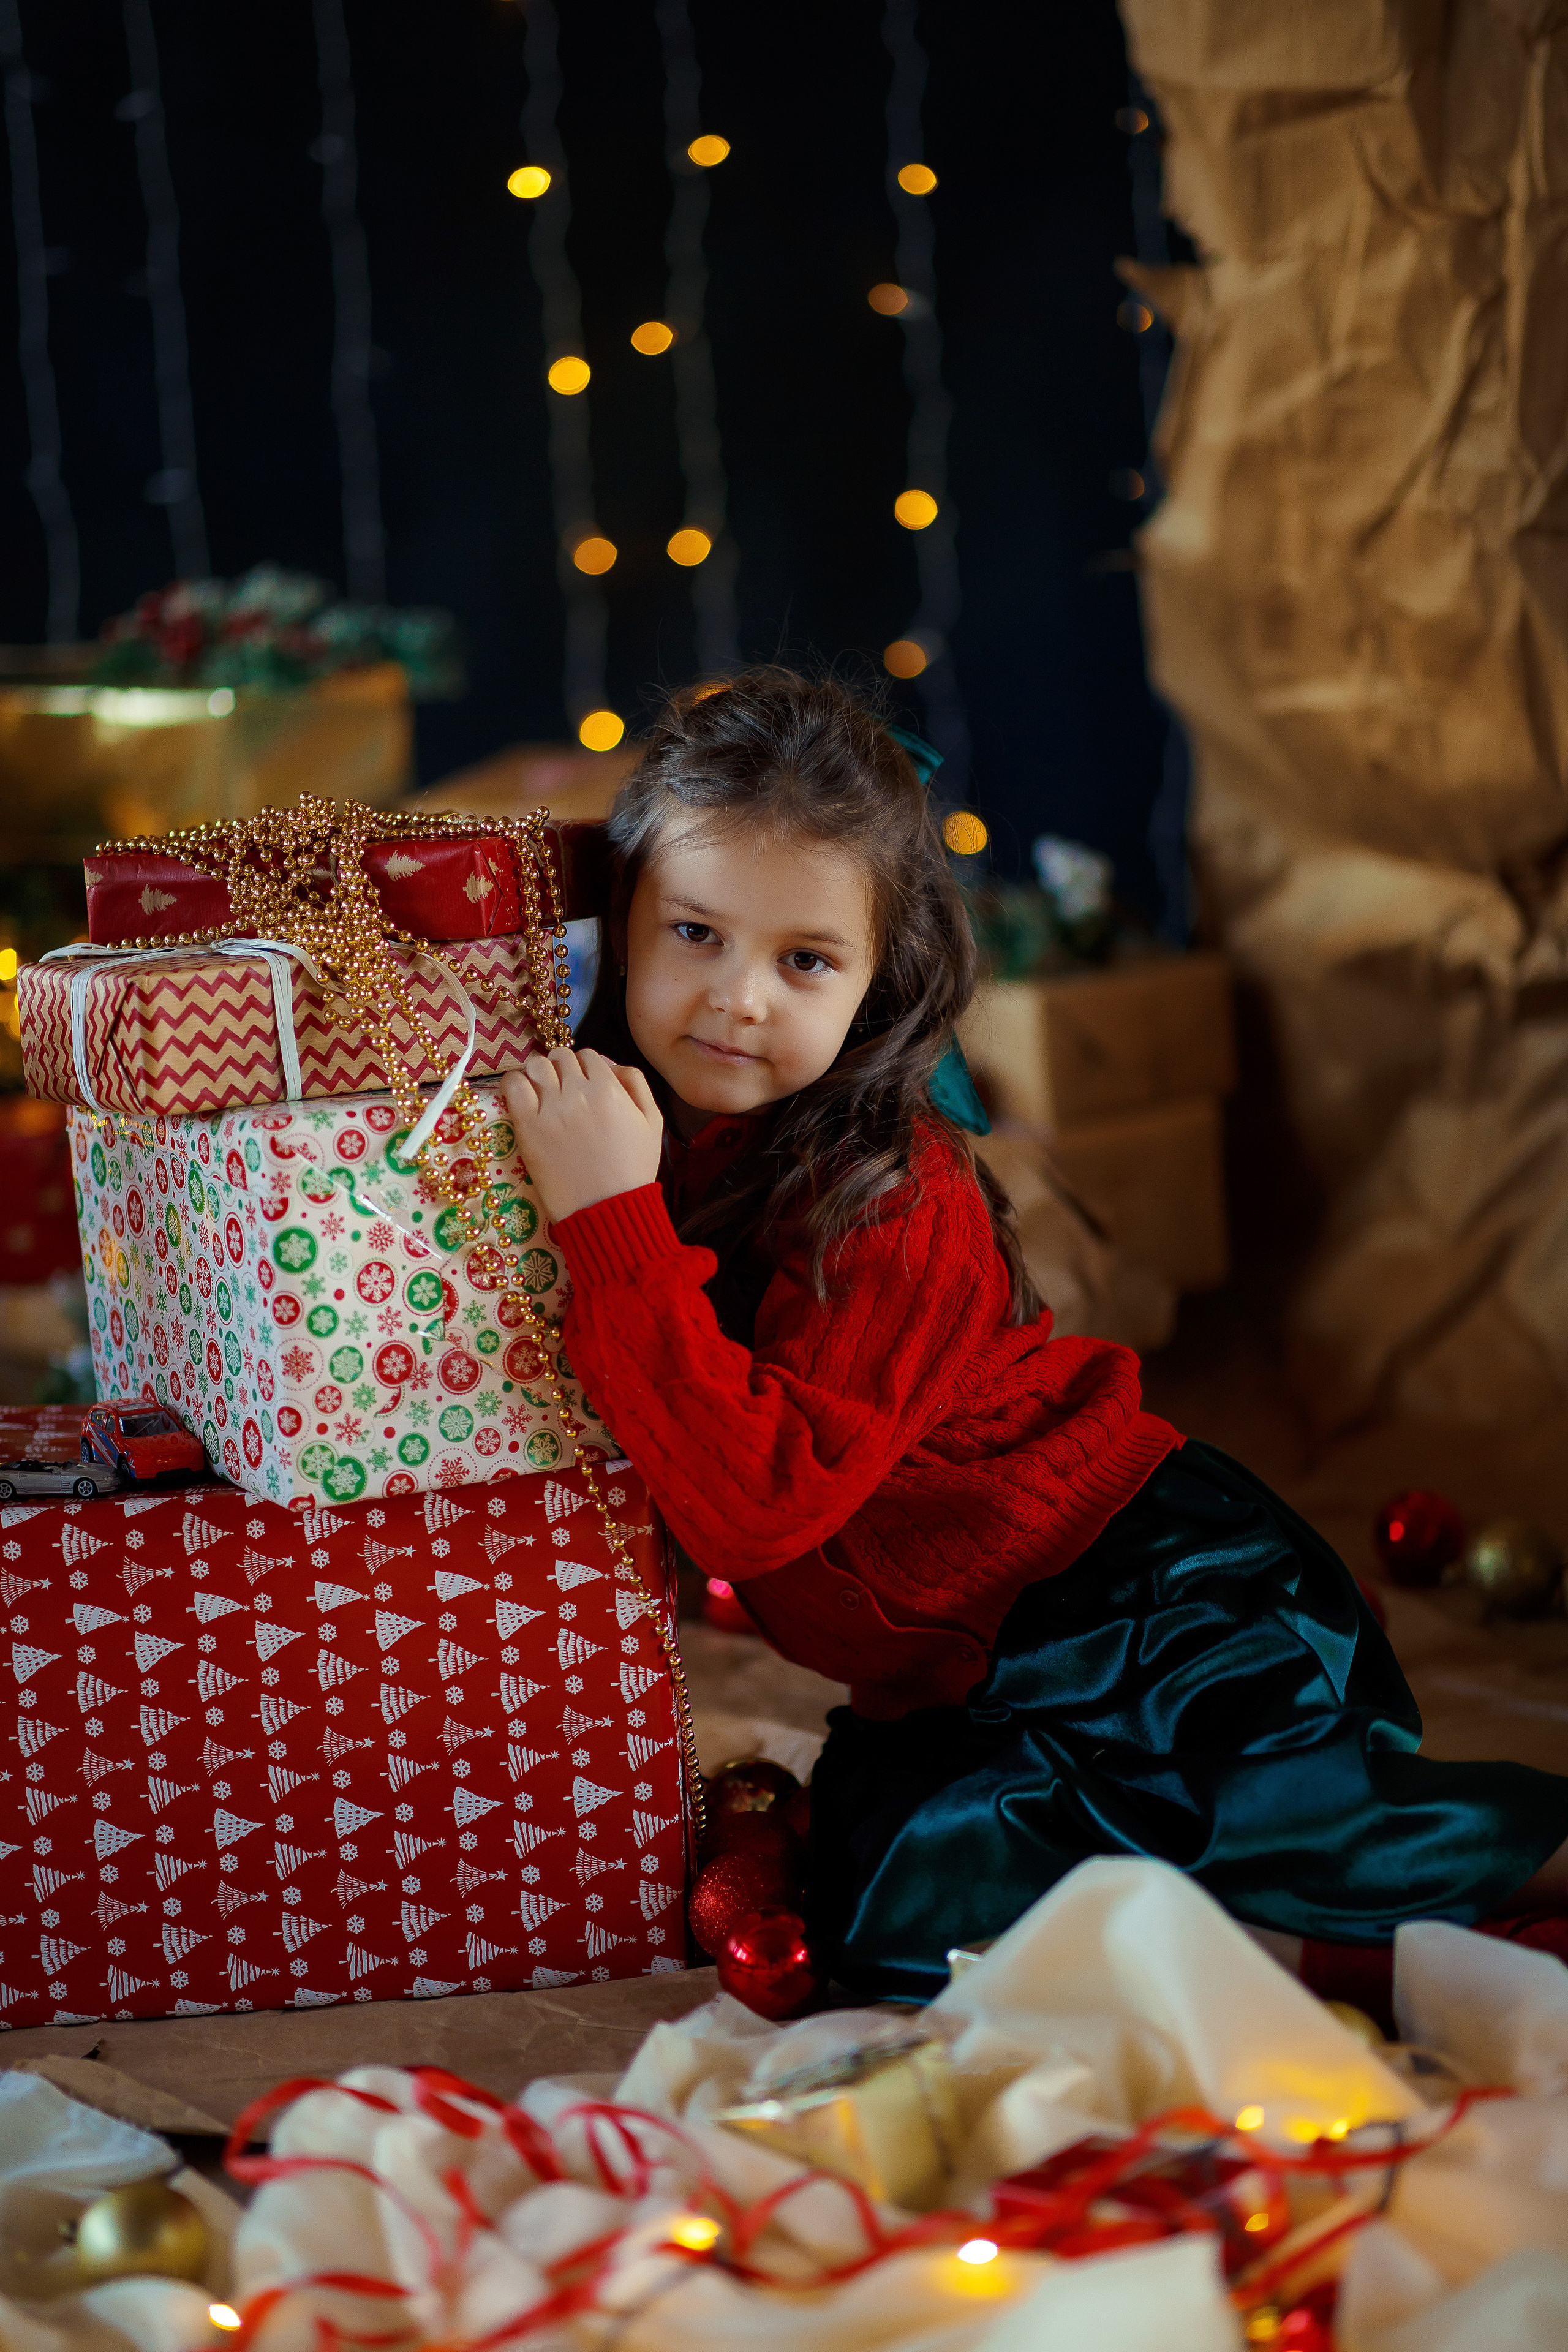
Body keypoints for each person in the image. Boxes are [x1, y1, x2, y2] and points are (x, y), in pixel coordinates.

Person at [502, 668, 1568, 2002]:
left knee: (1308, 1837)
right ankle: (1256, 1940)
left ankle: (1499, 1868)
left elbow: (756, 1506)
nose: (740, 1000)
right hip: (957, 1673)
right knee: (900, 1920)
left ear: (879, 979)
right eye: (696, 935)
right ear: (625, 923)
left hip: (1140, 1600)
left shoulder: (894, 1197)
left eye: (805, 960)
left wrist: (604, 1221)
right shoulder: (654, 1129)